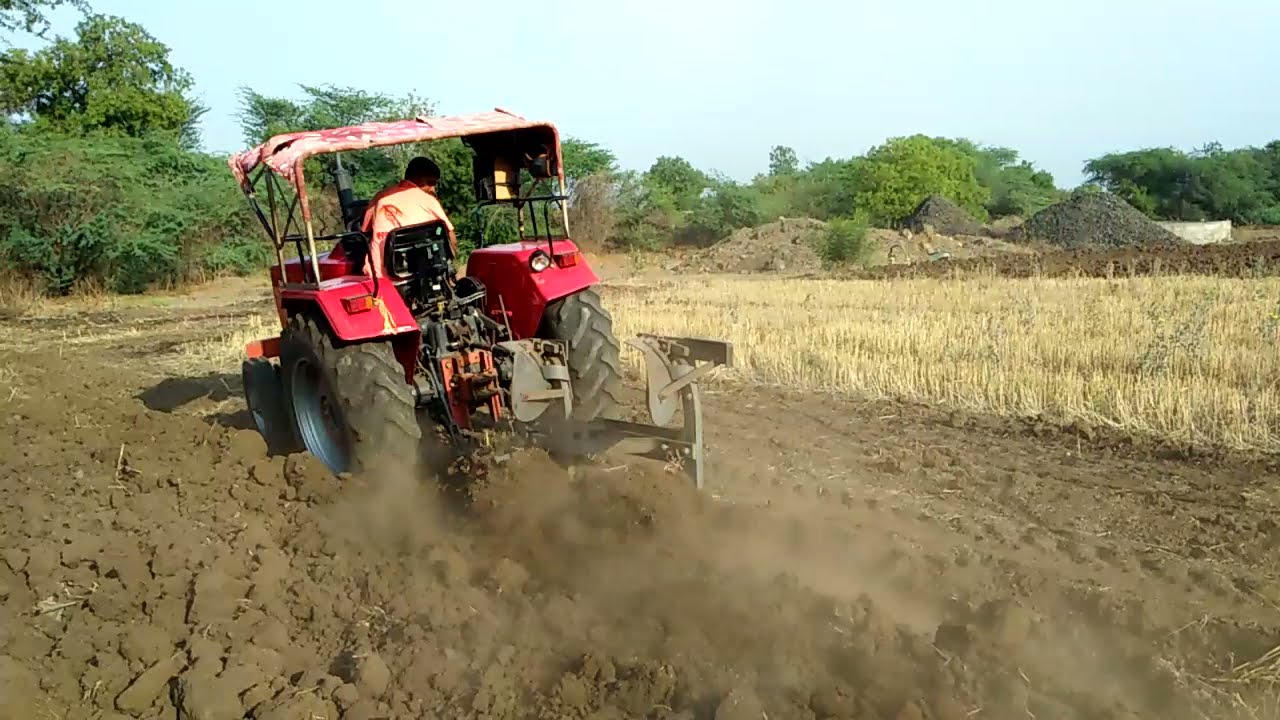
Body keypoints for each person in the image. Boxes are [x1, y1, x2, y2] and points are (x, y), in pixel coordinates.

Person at [360, 156, 457, 277]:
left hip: (380, 276)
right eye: (430, 183)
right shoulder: (429, 201)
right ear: (417, 178)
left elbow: (364, 233)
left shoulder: (380, 198)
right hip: (423, 274)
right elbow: (451, 238)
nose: (433, 189)